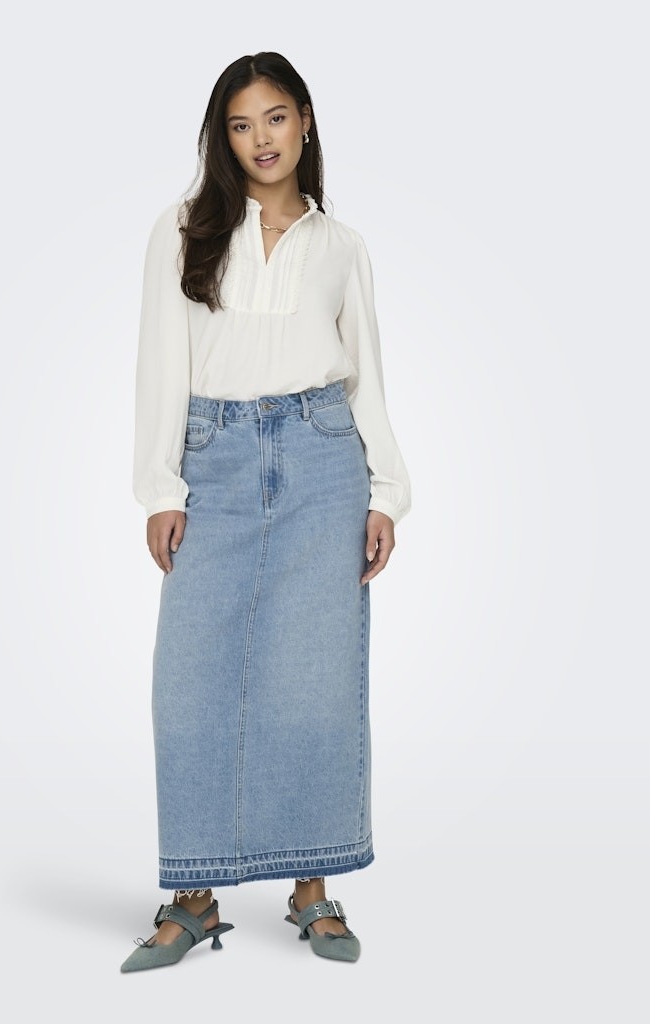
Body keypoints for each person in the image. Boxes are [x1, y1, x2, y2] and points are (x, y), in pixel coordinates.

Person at [123, 51, 411, 972]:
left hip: (324, 460)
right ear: (224, 137)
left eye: (276, 118)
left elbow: (365, 377)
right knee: (189, 683)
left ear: (306, 120)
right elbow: (161, 362)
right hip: (215, 460)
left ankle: (311, 888)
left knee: (315, 683)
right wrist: (162, 488)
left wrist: (386, 493)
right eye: (242, 125)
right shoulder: (184, 230)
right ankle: (194, 897)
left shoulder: (341, 246)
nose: (261, 139)